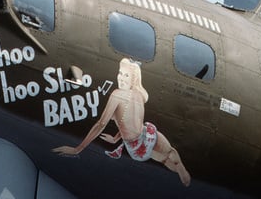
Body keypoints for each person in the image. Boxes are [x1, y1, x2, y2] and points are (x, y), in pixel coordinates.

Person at [54, 57, 191, 186]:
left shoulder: (117, 95)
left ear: (133, 79)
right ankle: (181, 170)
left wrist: (78, 149)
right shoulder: (140, 95)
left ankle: (181, 171)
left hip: (136, 145)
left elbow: (102, 124)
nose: (121, 78)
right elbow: (126, 121)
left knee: (164, 159)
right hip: (147, 134)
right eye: (120, 73)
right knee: (168, 155)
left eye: (126, 75)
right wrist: (114, 139)